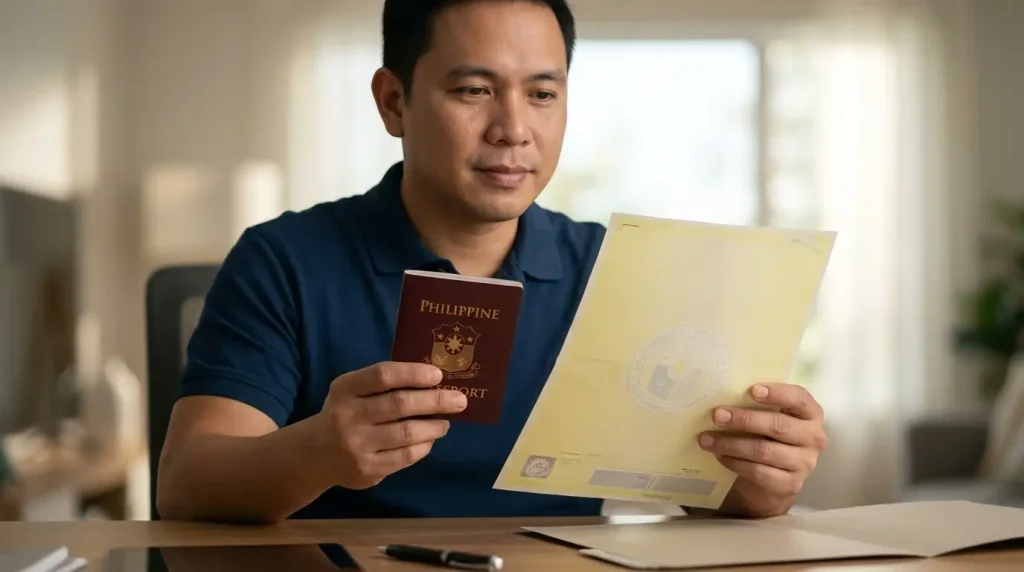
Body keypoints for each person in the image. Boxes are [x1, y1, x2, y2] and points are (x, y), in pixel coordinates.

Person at [155, 0, 828, 524]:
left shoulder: (613, 270)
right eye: (474, 90)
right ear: (394, 101)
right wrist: (321, 451)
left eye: (542, 94)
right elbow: (186, 485)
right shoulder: (284, 260)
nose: (513, 130)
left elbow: (706, 491)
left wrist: (759, 483)